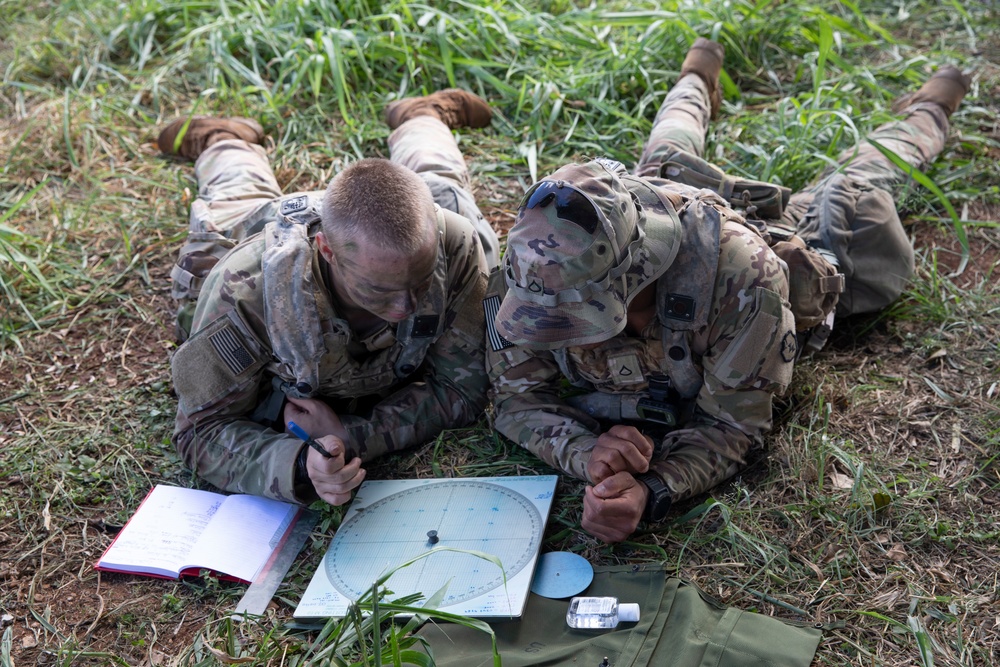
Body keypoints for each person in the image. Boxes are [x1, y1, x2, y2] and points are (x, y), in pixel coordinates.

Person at [486, 38, 970, 542]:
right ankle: (697, 77)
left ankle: (932, 107)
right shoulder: (538, 266)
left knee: (860, 186)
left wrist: (653, 488)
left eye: (579, 317)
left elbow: (734, 428)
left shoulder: (745, 282)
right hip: (658, 208)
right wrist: (585, 453)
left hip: (762, 246)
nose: (561, 332)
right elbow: (516, 400)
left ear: (636, 279)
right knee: (668, 152)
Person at [161, 89, 498, 506]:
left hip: (398, 220)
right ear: (326, 250)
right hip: (259, 239)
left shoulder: (453, 243)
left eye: (422, 282)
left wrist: (350, 435)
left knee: (441, 184)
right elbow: (200, 431)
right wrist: (300, 464)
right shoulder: (246, 293)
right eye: (379, 289)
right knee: (238, 197)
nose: (406, 307)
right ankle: (224, 138)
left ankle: (421, 117)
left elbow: (465, 389)